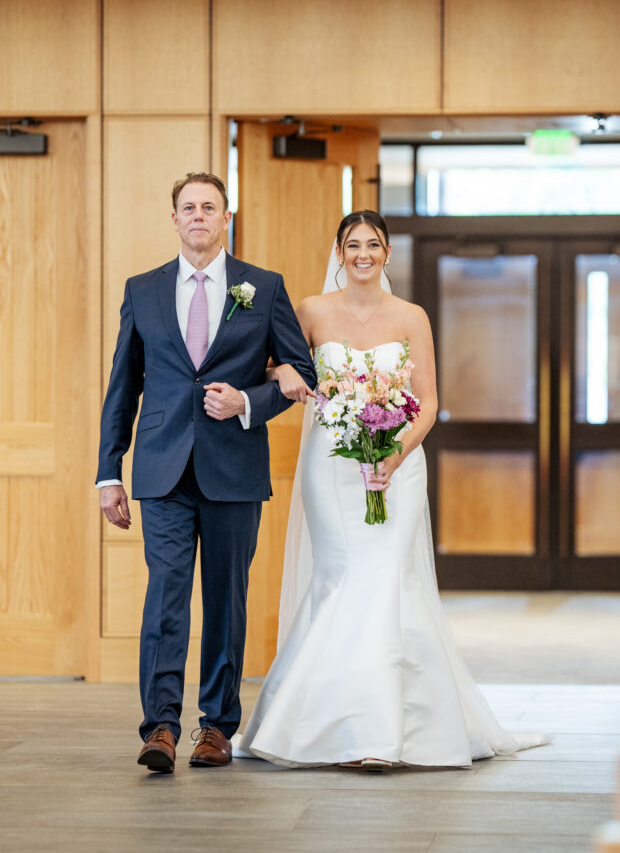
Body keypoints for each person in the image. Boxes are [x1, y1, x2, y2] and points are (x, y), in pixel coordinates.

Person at [235, 210, 548, 769]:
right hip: (330, 464)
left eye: (373, 245)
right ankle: (329, 723)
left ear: (386, 253)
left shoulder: (411, 316)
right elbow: (271, 368)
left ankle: (384, 733)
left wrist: (395, 453)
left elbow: (426, 401)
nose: (362, 254)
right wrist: (283, 371)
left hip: (396, 466)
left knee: (385, 578)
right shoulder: (309, 310)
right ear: (338, 250)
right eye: (352, 244)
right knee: (341, 577)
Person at [96, 172, 316, 773]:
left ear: (226, 217)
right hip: (163, 469)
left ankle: (216, 726)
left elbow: (302, 372)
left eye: (209, 207)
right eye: (187, 207)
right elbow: (123, 387)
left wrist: (247, 402)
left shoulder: (262, 287)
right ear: (174, 219)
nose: (198, 216)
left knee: (226, 599)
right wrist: (107, 472)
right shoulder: (142, 290)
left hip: (233, 468)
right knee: (165, 597)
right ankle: (160, 728)